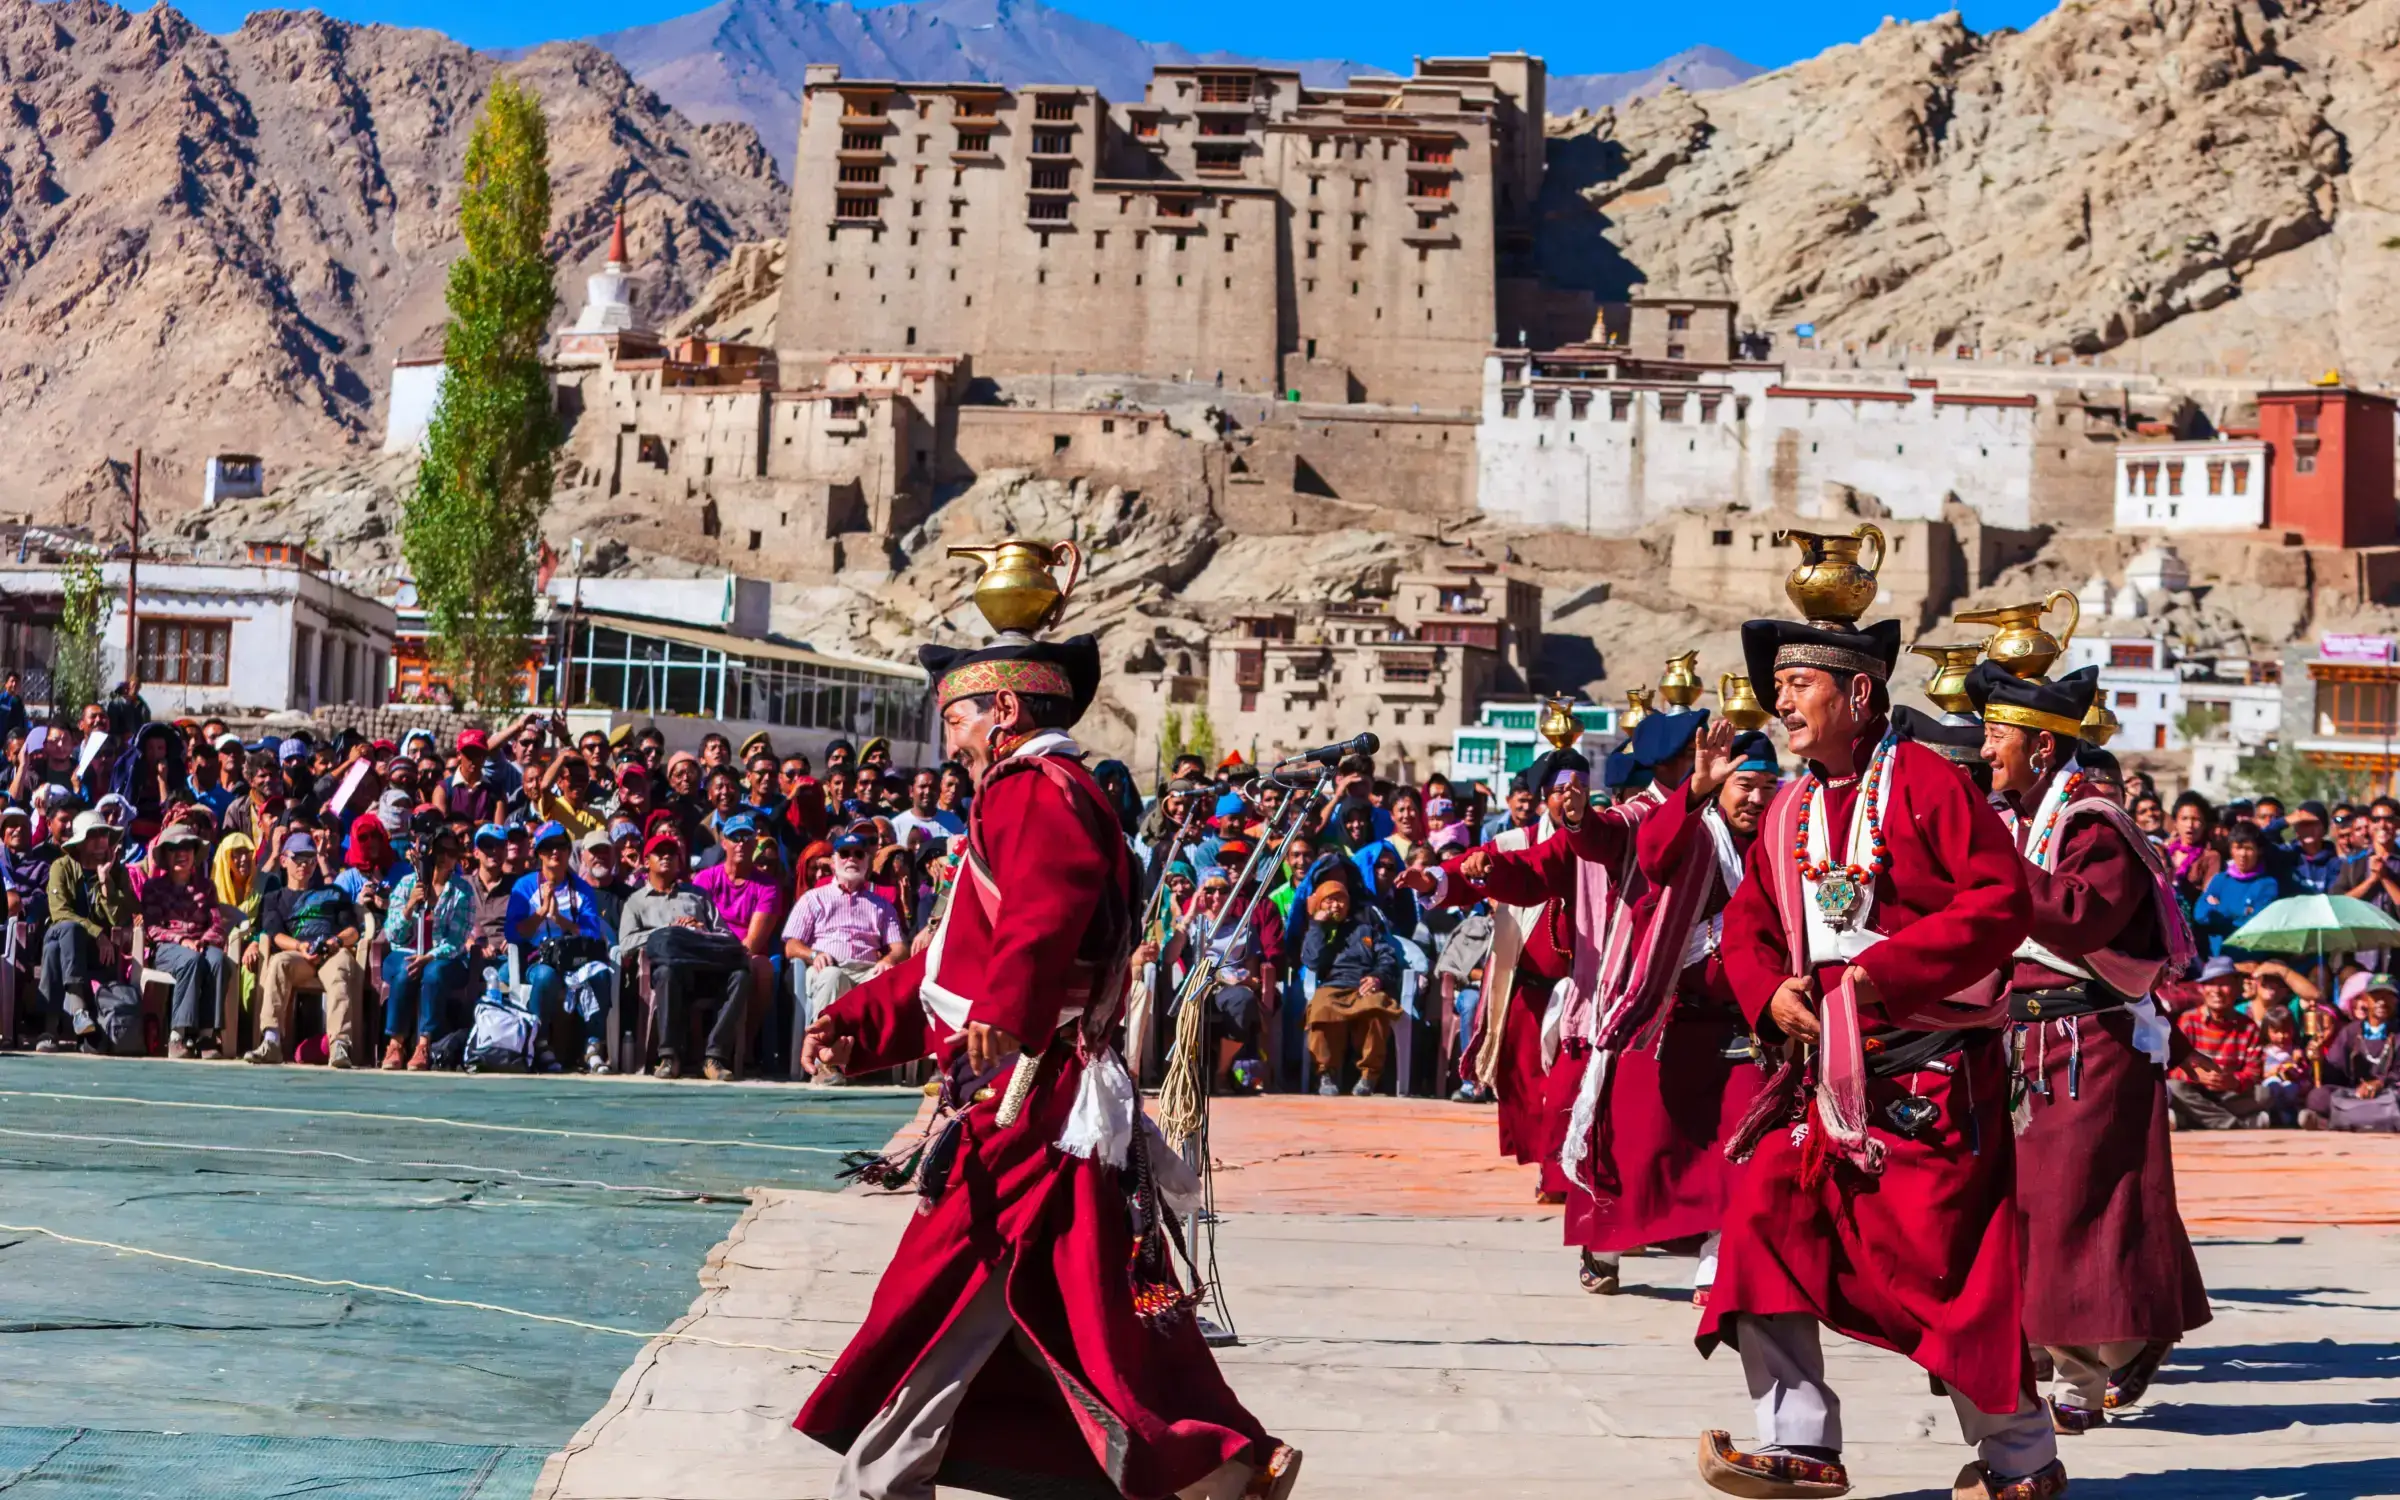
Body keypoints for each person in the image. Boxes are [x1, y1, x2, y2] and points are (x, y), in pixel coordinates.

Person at [795, 628, 1295, 1500]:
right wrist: (858, 1020)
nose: (948, 739)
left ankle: (881, 1484)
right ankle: (1220, 1471)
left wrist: (1006, 1010)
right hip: (1041, 1088)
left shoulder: (1033, 790)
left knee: (948, 1287)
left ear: (1006, 711)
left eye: (956, 716)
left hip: (1032, 1097)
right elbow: (956, 957)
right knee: (1077, 1303)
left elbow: (1044, 912)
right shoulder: (1041, 790)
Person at [1696, 604, 2060, 1500]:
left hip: (1926, 1071)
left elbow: (1996, 903)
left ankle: (2021, 1459)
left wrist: (1878, 978)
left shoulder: (1930, 783)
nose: (1781, 705)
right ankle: (1801, 1442)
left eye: (1799, 686)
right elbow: (1748, 929)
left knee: (1946, 1271)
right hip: (1821, 1080)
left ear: (1858, 694)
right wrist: (1770, 991)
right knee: (1762, 1220)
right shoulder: (1788, 808)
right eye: (1776, 689)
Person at [1969, 659, 2208, 1433]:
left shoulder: (2094, 822)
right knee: (2027, 1203)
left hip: (2089, 1038)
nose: (1984, 749)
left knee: (2073, 1204)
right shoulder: (2020, 815)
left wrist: (1991, 865)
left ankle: (2080, 1372)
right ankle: (2060, 1351)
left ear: (2041, 746)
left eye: (1996, 735)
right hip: (2025, 1035)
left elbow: (2080, 917)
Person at [1555, 723, 1778, 1305]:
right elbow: (1648, 850)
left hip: (1741, 1023)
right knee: (1634, 1146)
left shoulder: (1776, 843)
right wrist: (1582, 820)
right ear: (1721, 784)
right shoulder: (1685, 827)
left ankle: (1716, 1259)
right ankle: (1603, 1248)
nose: (1756, 799)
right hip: (1657, 1013)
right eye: (1745, 785)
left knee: (1740, 1142)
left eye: (1767, 787)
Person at [616, 830, 747, 1080]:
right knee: (667, 972)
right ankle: (669, 1056)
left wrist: (700, 930)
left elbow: (724, 934)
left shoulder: (697, 895)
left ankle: (714, 1057)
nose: (666, 857)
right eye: (659, 853)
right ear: (646, 862)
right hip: (666, 974)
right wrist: (667, 931)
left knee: (740, 975)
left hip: (704, 968)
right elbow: (626, 944)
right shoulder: (635, 902)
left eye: (672, 853)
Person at [783, 829, 908, 1070]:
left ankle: (871, 1061)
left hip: (866, 969)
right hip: (828, 967)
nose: (851, 859)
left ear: (867, 862)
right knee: (833, 976)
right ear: (834, 861)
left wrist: (889, 959)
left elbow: (900, 948)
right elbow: (791, 945)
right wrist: (813, 954)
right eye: (845, 853)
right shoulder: (813, 899)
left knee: (883, 980)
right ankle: (824, 1062)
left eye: (858, 854)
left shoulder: (881, 906)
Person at [248, 832, 368, 1068]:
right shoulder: (274, 897)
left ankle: (339, 1046)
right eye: (298, 858)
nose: (305, 864)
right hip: (299, 954)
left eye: (310, 859)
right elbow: (274, 934)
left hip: (331, 952)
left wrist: (336, 942)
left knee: (342, 964)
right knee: (278, 963)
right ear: (283, 860)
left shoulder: (334, 892)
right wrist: (299, 946)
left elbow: (353, 932)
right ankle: (271, 1041)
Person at [511, 822, 618, 1074]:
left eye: (560, 846)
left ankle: (593, 1046)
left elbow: (592, 932)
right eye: (547, 848)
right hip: (540, 959)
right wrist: (541, 912)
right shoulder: (524, 887)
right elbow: (515, 933)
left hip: (575, 960)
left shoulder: (582, 890)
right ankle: (540, 1043)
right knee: (545, 976)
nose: (554, 853)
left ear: (569, 851)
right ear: (538, 853)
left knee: (601, 973)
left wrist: (560, 919)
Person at [39, 810, 135, 1053]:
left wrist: (105, 881)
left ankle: (50, 1031)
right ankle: (79, 1009)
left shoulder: (117, 872)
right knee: (68, 932)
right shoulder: (60, 867)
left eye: (105, 834)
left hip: (93, 952)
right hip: (61, 933)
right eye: (94, 835)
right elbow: (60, 912)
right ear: (80, 842)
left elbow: (121, 917)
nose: (102, 840)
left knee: (53, 952)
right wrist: (97, 933)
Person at [382, 829, 476, 1070]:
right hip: (404, 951)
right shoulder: (407, 884)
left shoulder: (462, 891)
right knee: (405, 971)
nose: (445, 857)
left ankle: (424, 1043)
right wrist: (411, 905)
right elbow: (393, 934)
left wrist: (429, 956)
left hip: (442, 957)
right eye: (440, 851)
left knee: (433, 973)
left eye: (452, 853)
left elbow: (456, 942)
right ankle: (395, 1043)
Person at [1299, 878, 1401, 1095]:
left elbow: (1387, 957)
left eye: (1341, 900)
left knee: (1376, 1008)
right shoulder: (1316, 930)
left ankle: (1368, 1076)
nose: (1336, 905)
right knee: (1321, 1009)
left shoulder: (1365, 930)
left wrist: (1377, 977)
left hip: (1363, 984)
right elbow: (1313, 962)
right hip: (1333, 984)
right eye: (1330, 900)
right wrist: (1317, 926)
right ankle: (1326, 1074)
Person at [140, 823, 231, 1059]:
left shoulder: (207, 887)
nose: (182, 853)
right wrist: (182, 940)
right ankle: (177, 1036)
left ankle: (207, 1035)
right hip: (168, 949)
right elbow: (152, 929)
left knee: (218, 960)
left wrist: (203, 940)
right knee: (190, 959)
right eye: (174, 848)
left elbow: (217, 925)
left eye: (187, 847)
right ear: (166, 855)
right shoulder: (153, 887)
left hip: (200, 944)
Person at [2167, 956, 2267, 1129]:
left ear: (2236, 989)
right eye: (2211, 984)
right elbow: (2172, 1068)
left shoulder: (2249, 1027)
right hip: (2196, 1091)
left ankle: (2191, 1120)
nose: (2217, 991)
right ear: (2202, 989)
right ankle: (2235, 1124)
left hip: (2229, 1094)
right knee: (2172, 1088)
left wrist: (2233, 1081)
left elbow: (2254, 1073)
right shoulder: (2188, 1020)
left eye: (2224, 984)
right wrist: (2197, 1075)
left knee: (2264, 1094)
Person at [2307, 976, 2399, 1129]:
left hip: (2387, 1095)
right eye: (2376, 996)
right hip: (2354, 1096)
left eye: (2388, 996)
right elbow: (2335, 1073)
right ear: (2365, 999)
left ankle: (2332, 1123)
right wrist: (2320, 1060)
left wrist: (2380, 1083)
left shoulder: (2397, 1033)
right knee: (2318, 1097)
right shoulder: (2350, 1032)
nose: (2382, 1001)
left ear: (2396, 1001)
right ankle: (2374, 1120)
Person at [2193, 824, 2284, 957]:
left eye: (2248, 849)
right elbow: (2200, 914)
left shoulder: (2268, 885)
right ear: (2231, 849)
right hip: (2218, 960)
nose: (2242, 854)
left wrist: (2218, 908)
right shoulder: (2220, 880)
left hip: (2251, 959)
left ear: (2259, 850)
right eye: (2238, 848)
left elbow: (2254, 926)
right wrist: (2241, 913)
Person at [889, 767, 966, 852]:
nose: (927, 791)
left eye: (933, 787)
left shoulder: (953, 822)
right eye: (922, 786)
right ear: (911, 791)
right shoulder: (896, 825)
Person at [2286, 800, 2345, 893]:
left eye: (2313, 823)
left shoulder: (2334, 861)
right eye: (2302, 824)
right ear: (2295, 828)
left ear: (2324, 828)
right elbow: (2258, 840)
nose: (2308, 829)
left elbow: (2335, 894)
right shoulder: (2286, 855)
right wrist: (2285, 821)